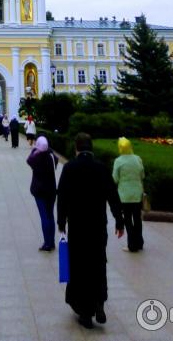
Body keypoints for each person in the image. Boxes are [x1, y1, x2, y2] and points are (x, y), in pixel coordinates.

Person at [57, 133, 125, 329]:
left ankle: (85, 313)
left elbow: (62, 196)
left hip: (78, 227)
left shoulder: (70, 168)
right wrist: (119, 222)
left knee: (79, 266)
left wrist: (61, 222)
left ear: (76, 148)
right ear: (91, 148)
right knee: (98, 262)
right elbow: (113, 195)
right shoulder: (101, 168)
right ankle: (99, 302)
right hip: (97, 226)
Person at [112, 137, 144, 252]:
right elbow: (142, 175)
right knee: (137, 219)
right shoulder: (138, 159)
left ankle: (132, 245)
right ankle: (140, 243)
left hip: (124, 196)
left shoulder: (118, 161)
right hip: (137, 194)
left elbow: (115, 179)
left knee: (128, 220)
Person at [27, 136, 58, 251]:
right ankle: (52, 242)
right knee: (50, 215)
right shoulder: (51, 157)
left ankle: (47, 243)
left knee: (44, 216)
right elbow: (57, 159)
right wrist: (47, 150)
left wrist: (35, 150)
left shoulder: (36, 158)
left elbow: (28, 160)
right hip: (51, 190)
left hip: (40, 191)